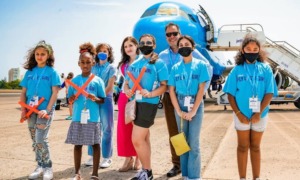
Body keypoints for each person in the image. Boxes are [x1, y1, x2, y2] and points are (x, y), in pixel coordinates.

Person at [158, 22, 212, 177]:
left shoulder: (194, 55)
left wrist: (201, 90)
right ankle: (178, 165)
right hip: (171, 97)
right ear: (166, 37)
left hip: (192, 96)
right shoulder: (162, 55)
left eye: (174, 33)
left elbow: (208, 67)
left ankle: (191, 171)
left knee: (192, 139)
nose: (172, 37)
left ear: (179, 34)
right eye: (169, 34)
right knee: (175, 134)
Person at [223, 34, 278, 180]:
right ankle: (242, 177)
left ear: (259, 51)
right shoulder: (236, 70)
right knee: (242, 146)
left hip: (260, 115)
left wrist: (258, 113)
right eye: (248, 48)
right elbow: (230, 95)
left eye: (255, 49)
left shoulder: (265, 69)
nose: (251, 51)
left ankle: (257, 177)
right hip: (241, 114)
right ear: (242, 50)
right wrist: (239, 113)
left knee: (255, 146)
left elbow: (270, 92)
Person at [124, 34, 168, 180]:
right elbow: (126, 82)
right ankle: (146, 171)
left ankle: (147, 171)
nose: (145, 45)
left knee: (136, 140)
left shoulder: (159, 64)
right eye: (142, 42)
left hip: (148, 104)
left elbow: (164, 86)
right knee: (144, 138)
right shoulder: (135, 64)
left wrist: (150, 93)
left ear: (154, 45)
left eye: (148, 43)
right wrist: (127, 90)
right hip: (135, 103)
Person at [19, 40, 61, 180]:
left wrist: (48, 110)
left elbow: (55, 92)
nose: (40, 56)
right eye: (37, 54)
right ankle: (39, 165)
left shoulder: (52, 72)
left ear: (48, 55)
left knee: (40, 138)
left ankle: (48, 166)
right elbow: (23, 92)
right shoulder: (30, 72)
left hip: (44, 110)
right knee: (34, 139)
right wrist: (23, 109)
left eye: (43, 54)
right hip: (30, 110)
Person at [65, 42, 106, 180]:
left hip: (93, 118)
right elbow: (68, 100)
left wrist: (95, 98)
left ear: (93, 63)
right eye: (82, 62)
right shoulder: (74, 81)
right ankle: (77, 173)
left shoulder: (98, 81)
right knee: (78, 145)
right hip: (78, 117)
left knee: (95, 145)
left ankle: (94, 173)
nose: (85, 65)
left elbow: (103, 100)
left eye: (88, 62)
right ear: (78, 64)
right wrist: (70, 99)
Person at [85, 43, 117, 168]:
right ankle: (92, 155)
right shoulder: (92, 67)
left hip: (105, 100)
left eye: (105, 51)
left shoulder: (112, 68)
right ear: (96, 53)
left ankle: (106, 157)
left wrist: (100, 97)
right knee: (92, 126)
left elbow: (110, 86)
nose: (103, 53)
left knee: (107, 128)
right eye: (100, 51)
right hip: (92, 100)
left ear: (109, 54)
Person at [116, 36, 141, 172]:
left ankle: (138, 157)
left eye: (131, 45)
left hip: (140, 97)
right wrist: (126, 91)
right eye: (125, 47)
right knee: (124, 128)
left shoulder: (144, 61)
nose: (128, 48)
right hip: (125, 96)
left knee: (138, 129)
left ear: (136, 46)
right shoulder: (123, 65)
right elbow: (125, 81)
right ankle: (128, 158)